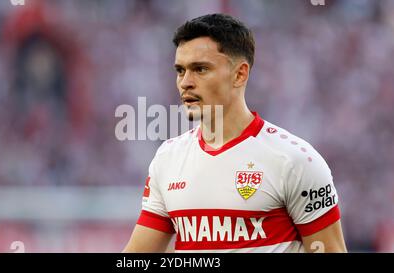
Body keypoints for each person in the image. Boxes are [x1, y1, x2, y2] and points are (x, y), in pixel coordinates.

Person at [123, 13, 346, 253]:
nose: (185, 82)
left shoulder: (296, 160)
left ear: (240, 74)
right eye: (180, 70)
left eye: (200, 69)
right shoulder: (168, 158)